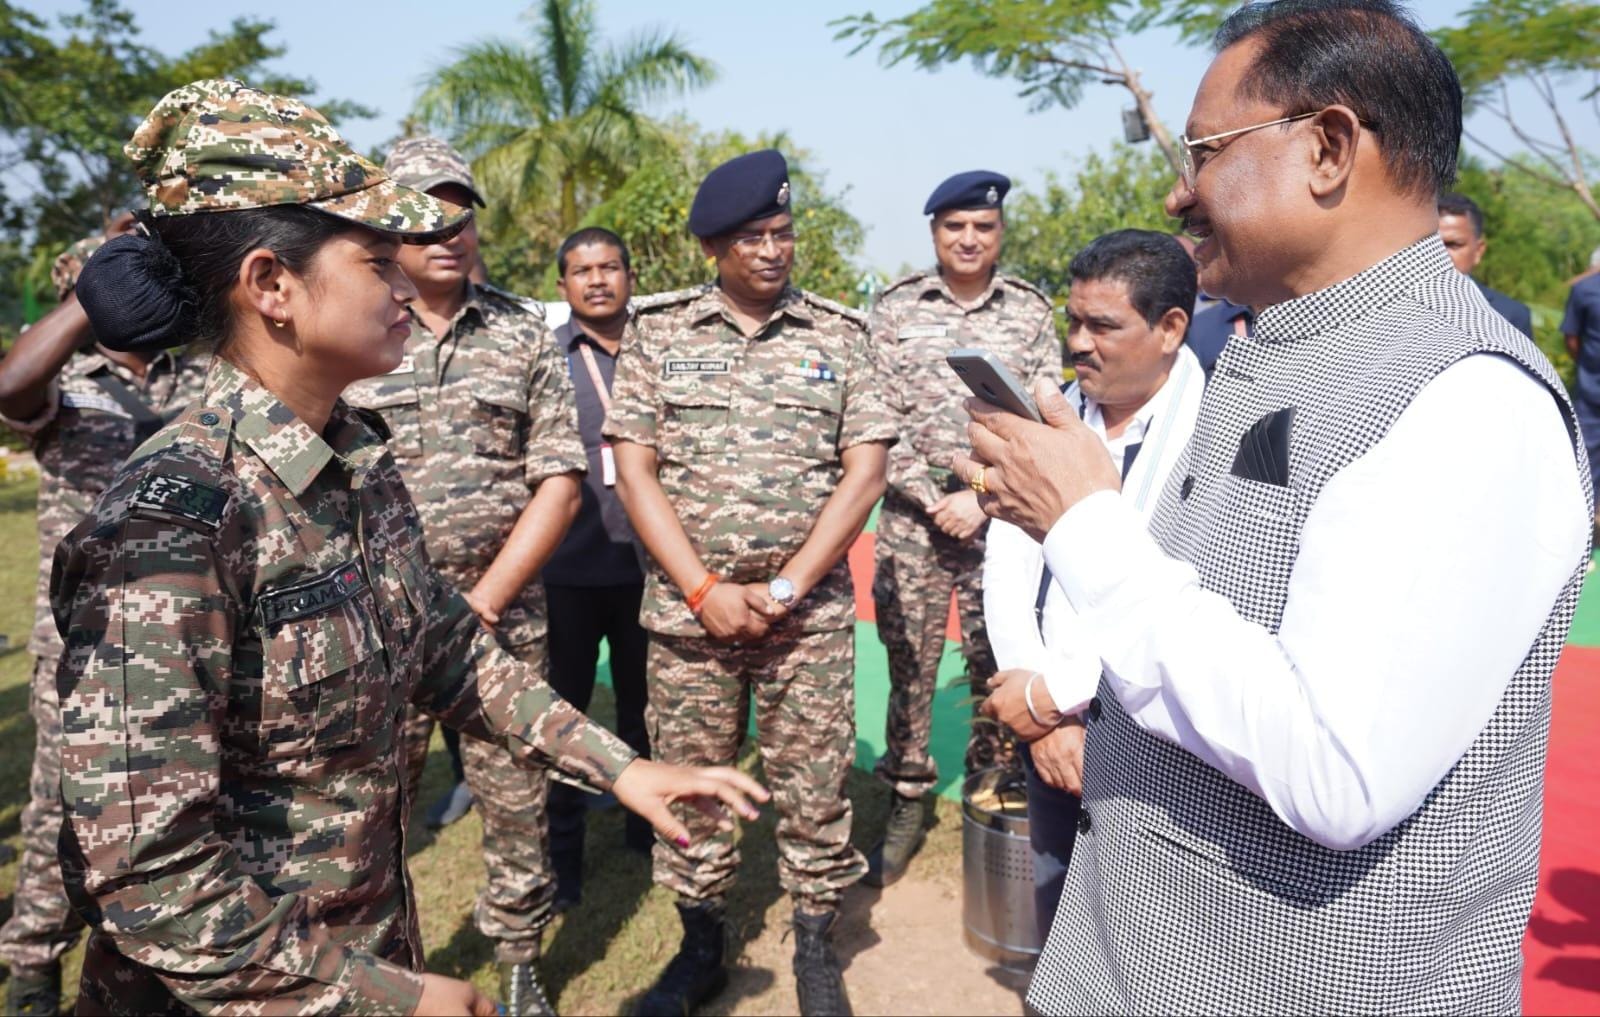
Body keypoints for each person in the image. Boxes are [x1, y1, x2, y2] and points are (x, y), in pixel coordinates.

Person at [51, 79, 766, 1017]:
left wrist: (620, 764)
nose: (407, 285)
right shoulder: (175, 522)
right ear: (272, 285)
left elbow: (445, 647)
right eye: (378, 262)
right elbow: (148, 877)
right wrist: (384, 995)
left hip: (362, 949)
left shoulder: (352, 461)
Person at [955, 2, 1590, 1012]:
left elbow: (1334, 770)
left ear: (1328, 148)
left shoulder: (1466, 397)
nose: (1176, 191)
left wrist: (1085, 525)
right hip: (1126, 965)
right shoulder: (1266, 346)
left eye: (1203, 152)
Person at [606, 149, 895, 1017]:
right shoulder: (658, 333)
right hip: (690, 618)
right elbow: (633, 467)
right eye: (754, 237)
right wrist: (702, 590)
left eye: (783, 233)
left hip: (803, 619)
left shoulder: (840, 335)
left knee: (816, 783)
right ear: (715, 248)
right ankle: (702, 948)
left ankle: (815, 945)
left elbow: (867, 468)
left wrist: (785, 588)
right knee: (695, 781)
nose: (774, 250)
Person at [341, 134, 587, 1014]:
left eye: (462, 210)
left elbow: (558, 479)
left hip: (499, 620)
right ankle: (381, 973)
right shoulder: (355, 323)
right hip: (372, 625)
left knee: (516, 797)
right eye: (425, 214)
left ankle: (520, 962)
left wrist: (481, 601)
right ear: (388, 228)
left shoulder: (523, 330)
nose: (449, 230)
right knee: (370, 812)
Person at [0, 222, 210, 1017]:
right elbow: (10, 385)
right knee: (62, 804)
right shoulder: (66, 378)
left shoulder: (191, 367)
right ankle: (31, 963)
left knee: (179, 803)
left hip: (190, 631)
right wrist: (98, 292)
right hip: (82, 644)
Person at [981, 229, 1204, 943]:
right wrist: (1039, 708)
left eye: (1102, 325)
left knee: (1151, 942)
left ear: (1171, 328)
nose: (1078, 343)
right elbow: (1007, 564)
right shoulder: (1050, 422)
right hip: (1049, 733)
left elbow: (1179, 604)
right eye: (1072, 321)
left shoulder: (1217, 434)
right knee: (1057, 939)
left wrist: (1055, 699)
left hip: (1155, 740)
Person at [866, 170, 1059, 887]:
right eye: (955, 227)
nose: (969, 239)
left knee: (997, 658)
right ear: (934, 233)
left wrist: (980, 498)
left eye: (982, 226)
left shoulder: (1032, 312)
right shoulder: (893, 309)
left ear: (999, 230)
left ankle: (994, 785)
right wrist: (932, 498)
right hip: (914, 525)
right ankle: (906, 796)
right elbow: (874, 422)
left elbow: (1044, 415)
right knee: (909, 665)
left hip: (1002, 520)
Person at [542, 226, 653, 910]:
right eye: (582, 270)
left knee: (646, 712)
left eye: (610, 266)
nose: (598, 280)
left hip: (651, 569)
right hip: (569, 572)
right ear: (564, 286)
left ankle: (647, 830)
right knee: (565, 717)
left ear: (628, 274)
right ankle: (565, 856)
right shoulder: (547, 360)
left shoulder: (660, 353)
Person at [1437, 191, 1533, 337]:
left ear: (1478, 250)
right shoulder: (1394, 309)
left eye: (1454, 245)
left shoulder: (1509, 316)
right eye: (1430, 244)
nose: (1440, 253)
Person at [1562, 261, 1600, 537]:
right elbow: (1572, 338)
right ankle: (1583, 534)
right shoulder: (1584, 290)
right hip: (1591, 393)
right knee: (1584, 462)